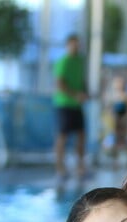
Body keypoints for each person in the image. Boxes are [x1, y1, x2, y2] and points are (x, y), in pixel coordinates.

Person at [54, 33, 88, 180]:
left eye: (78, 44)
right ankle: (60, 167)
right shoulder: (63, 62)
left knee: (81, 135)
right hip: (64, 104)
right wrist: (75, 95)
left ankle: (80, 165)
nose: (76, 47)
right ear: (68, 45)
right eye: (74, 44)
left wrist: (85, 93)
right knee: (63, 135)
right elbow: (60, 83)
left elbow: (81, 81)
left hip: (77, 105)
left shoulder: (80, 61)